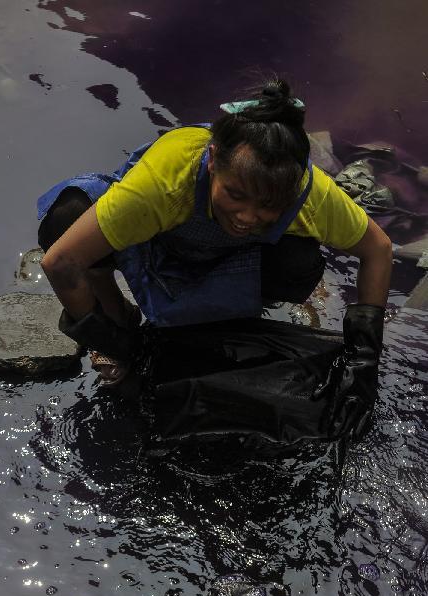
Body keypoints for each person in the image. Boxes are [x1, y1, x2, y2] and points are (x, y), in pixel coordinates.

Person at [37, 79, 392, 439]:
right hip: (152, 244)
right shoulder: (166, 180)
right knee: (66, 217)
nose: (247, 216)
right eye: (236, 195)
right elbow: (59, 263)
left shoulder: (309, 190)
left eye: (268, 205)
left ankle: (227, 318)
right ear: (211, 161)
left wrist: (363, 358)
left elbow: (378, 251)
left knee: (299, 259)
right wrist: (112, 342)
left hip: (231, 256)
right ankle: (119, 313)